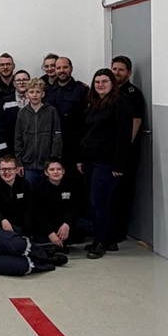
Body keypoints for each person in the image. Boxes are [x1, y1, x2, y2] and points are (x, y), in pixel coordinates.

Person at [78, 68, 133, 259]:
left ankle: (100, 242)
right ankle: (108, 239)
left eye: (104, 81)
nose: (100, 85)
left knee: (98, 201)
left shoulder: (120, 104)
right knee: (95, 201)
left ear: (112, 84)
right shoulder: (93, 103)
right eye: (97, 82)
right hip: (91, 159)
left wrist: (119, 165)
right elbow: (86, 132)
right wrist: (81, 158)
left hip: (107, 162)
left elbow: (124, 136)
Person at [111, 55, 146, 242]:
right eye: (114, 69)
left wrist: (123, 150)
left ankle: (120, 231)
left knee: (123, 191)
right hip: (112, 151)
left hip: (127, 153)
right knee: (112, 192)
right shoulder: (110, 91)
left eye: (121, 70)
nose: (117, 72)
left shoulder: (132, 94)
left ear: (129, 73)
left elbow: (135, 122)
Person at [13, 78, 62, 185]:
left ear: (43, 94)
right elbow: (18, 138)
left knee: (46, 192)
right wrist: (19, 162)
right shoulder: (22, 113)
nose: (35, 95)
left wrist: (54, 159)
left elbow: (57, 137)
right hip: (28, 164)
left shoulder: (51, 111)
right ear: (27, 94)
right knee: (30, 192)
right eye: (31, 92)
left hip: (47, 164)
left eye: (38, 92)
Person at [32, 158, 88, 250]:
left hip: (63, 224)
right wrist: (50, 232)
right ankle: (56, 243)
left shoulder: (71, 186)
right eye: (52, 169)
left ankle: (62, 242)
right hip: (46, 226)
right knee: (40, 240)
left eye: (59, 169)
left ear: (63, 171)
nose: (56, 172)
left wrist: (67, 224)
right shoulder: (39, 188)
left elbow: (75, 207)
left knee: (85, 226)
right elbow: (37, 215)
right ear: (46, 172)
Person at [45, 57, 87, 169]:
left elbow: (85, 122)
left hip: (73, 146)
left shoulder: (81, 90)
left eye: (65, 67)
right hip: (52, 146)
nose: (62, 70)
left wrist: (81, 155)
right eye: (58, 68)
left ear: (71, 68)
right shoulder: (48, 91)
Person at [0, 155, 33, 234]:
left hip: (21, 224)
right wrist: (2, 220)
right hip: (1, 223)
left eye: (10, 169)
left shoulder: (25, 184)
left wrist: (26, 230)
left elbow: (29, 208)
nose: (7, 172)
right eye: (3, 169)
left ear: (16, 170)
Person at [0, 69, 31, 156]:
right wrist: (2, 150)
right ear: (14, 84)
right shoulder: (6, 101)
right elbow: (0, 127)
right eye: (18, 80)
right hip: (10, 148)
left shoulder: (36, 101)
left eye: (25, 80)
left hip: (32, 148)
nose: (22, 82)